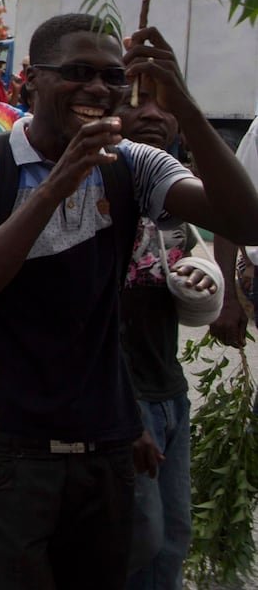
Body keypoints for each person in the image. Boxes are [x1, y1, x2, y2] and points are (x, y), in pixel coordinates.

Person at [0, 15, 258, 590]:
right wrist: (58, 180)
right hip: (6, 443)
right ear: (31, 80)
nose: (99, 89)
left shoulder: (136, 162)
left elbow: (245, 218)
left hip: (106, 439)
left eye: (113, 76)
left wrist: (182, 101)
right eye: (78, 73)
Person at [116, 93, 223, 590]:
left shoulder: (177, 193)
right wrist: (123, 410)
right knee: (139, 539)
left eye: (168, 105)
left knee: (173, 533)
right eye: (140, 102)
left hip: (167, 389)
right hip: (121, 399)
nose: (155, 115)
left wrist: (201, 282)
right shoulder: (90, 186)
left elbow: (198, 280)